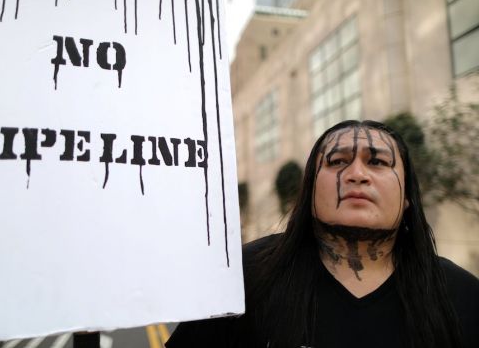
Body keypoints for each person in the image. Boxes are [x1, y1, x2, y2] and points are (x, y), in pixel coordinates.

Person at [166, 120, 479, 348]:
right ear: (310, 190)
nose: (357, 174)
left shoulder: (463, 295)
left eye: (378, 162)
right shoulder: (243, 279)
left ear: (407, 195)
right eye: (338, 161)